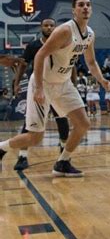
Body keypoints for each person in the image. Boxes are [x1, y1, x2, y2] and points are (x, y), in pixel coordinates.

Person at [0, 0, 110, 177]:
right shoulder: (65, 31)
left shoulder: (90, 34)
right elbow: (39, 56)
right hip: (44, 82)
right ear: (74, 10)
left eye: (88, 5)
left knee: (83, 124)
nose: (85, 8)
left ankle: (62, 162)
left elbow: (91, 62)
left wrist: (102, 80)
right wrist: (38, 88)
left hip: (64, 83)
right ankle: (2, 147)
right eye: (81, 5)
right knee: (35, 137)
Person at [10, 18, 70, 172]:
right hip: (39, 88)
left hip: (58, 86)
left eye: (51, 25)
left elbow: (71, 65)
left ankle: (64, 152)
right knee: (29, 123)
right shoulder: (33, 45)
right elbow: (23, 64)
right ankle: (23, 156)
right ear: (41, 27)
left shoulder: (63, 43)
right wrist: (16, 83)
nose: (49, 27)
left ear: (55, 27)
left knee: (62, 120)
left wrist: (72, 84)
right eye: (46, 25)